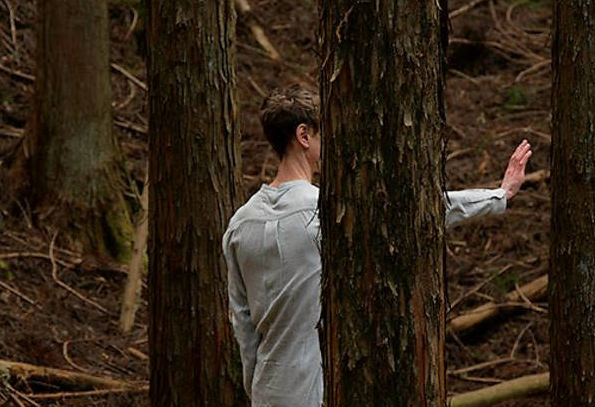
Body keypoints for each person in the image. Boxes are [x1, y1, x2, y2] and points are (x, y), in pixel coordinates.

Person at [222, 85, 532, 406]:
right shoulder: (327, 212)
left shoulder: (239, 226)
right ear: (303, 135)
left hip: (267, 391)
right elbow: (414, 213)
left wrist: (255, 386)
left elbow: (242, 325)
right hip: (315, 390)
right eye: (322, 133)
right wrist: (499, 195)